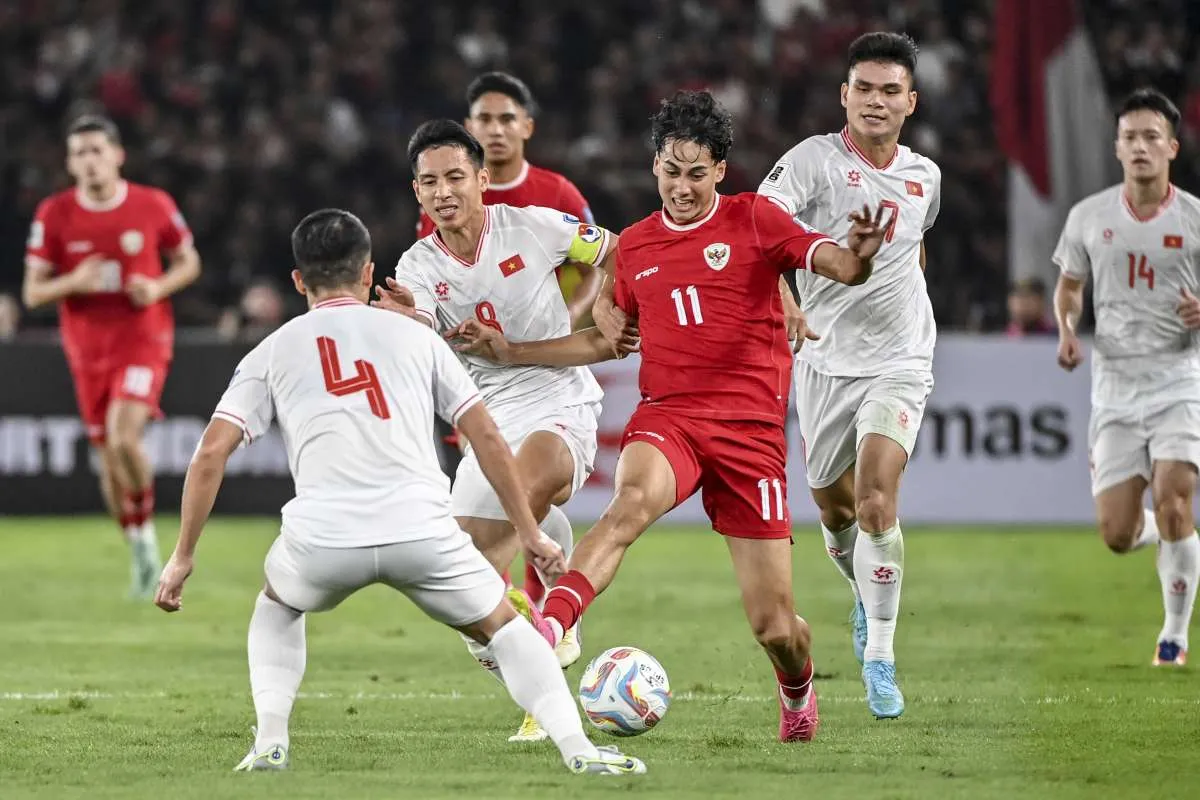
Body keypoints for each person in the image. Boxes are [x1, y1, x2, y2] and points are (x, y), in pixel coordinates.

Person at [449, 90, 890, 744]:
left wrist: (860, 255)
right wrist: (513, 351)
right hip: (670, 419)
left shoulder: (756, 220)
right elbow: (606, 341)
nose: (680, 187)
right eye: (669, 171)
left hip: (749, 438)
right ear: (654, 167)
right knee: (627, 505)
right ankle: (551, 627)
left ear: (719, 171)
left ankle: (796, 689)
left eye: (695, 173)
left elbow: (838, 265)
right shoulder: (637, 247)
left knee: (776, 627)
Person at [152, 208, 644, 777]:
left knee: (278, 605)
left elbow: (210, 453)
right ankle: (578, 750)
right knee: (506, 630)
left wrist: (183, 557)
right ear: (368, 274)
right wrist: (531, 534)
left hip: (323, 540)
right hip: (423, 532)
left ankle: (270, 742)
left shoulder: (272, 350)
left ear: (296, 280)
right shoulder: (416, 339)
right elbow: (485, 434)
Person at [375, 119, 616, 742]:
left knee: (504, 527)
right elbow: (419, 330)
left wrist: (613, 305)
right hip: (486, 418)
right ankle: (531, 647)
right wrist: (403, 325)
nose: (443, 191)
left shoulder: (533, 225)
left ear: (483, 180)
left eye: (456, 176)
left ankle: (541, 671)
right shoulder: (418, 265)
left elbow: (615, 249)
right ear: (417, 192)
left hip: (557, 400)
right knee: (455, 577)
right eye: (429, 182)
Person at [755, 32, 941, 719]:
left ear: (910, 102)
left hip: (899, 361)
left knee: (874, 503)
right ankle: (866, 593)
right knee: (834, 515)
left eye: (890, 90)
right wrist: (789, 303)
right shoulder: (811, 162)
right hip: (825, 361)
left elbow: (915, 250)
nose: (876, 100)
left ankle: (881, 657)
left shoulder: (926, 176)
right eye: (864, 87)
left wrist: (908, 317)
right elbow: (760, 235)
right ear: (844, 94)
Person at [22, 114, 201, 597]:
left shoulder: (151, 204)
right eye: (80, 153)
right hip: (86, 349)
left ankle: (146, 530)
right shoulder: (54, 214)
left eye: (97, 150)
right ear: (69, 163)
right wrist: (73, 283)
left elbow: (188, 261)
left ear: (117, 155)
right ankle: (140, 543)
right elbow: (32, 292)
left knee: (125, 437)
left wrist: (158, 286)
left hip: (143, 339)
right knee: (106, 459)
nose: (90, 160)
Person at [1053, 87, 1200, 667]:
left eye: (1150, 137)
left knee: (1174, 498)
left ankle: (1174, 633)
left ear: (1172, 147)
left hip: (1179, 380)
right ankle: (1175, 535)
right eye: (1130, 137)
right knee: (1116, 533)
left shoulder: (1193, 219)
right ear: (1117, 148)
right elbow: (1069, 287)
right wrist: (1067, 328)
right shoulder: (1089, 216)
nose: (1140, 146)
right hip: (1114, 387)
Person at [415, 72, 600, 325]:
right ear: (469, 128)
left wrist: (569, 317)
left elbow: (592, 272)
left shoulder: (558, 194)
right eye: (484, 119)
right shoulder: (445, 199)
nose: (495, 130)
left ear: (527, 127)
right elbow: (430, 277)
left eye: (507, 119)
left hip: (537, 349)